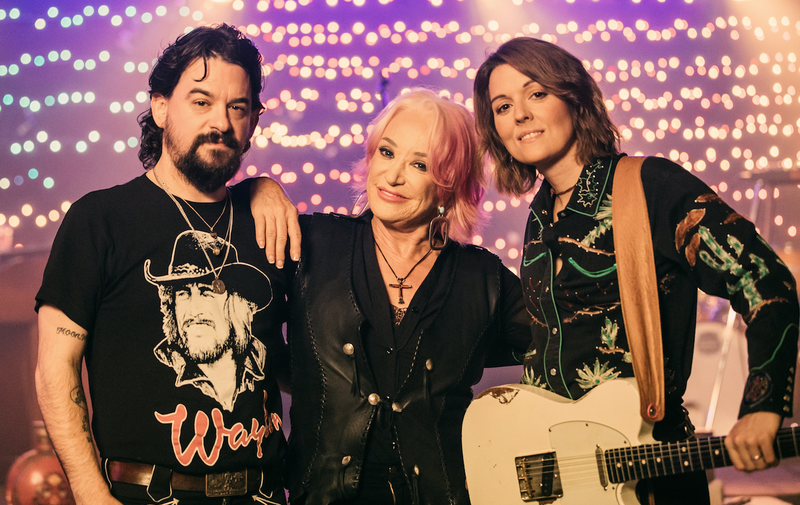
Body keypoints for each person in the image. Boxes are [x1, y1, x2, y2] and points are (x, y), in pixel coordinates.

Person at [472, 37, 799, 503]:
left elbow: (765, 281)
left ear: (575, 97)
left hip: (651, 475)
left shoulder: (649, 186)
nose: (519, 113)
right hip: (564, 480)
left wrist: (764, 406)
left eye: (537, 93)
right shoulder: (541, 217)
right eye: (502, 106)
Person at [35, 24, 296, 505]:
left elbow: (290, 364)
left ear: (253, 121)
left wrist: (265, 186)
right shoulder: (101, 219)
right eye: (201, 101)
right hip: (144, 493)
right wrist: (92, 494)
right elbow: (57, 369)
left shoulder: (269, 223)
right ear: (159, 106)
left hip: (261, 493)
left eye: (237, 107)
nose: (220, 121)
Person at [253, 88, 531, 505]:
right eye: (386, 152)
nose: (393, 176)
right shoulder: (311, 242)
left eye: (419, 164)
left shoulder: (483, 279)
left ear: (450, 183)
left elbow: (567, 346)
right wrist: (257, 187)